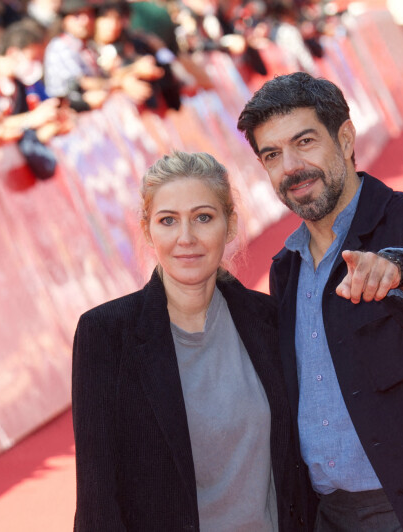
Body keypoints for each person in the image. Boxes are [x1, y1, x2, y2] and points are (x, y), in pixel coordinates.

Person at [237, 72, 403, 531]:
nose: (291, 166)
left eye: (305, 141)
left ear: (345, 137)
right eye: (272, 155)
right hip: (328, 515)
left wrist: (394, 268)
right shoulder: (285, 268)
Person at [71, 151, 301, 531]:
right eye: (168, 221)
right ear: (147, 231)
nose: (186, 238)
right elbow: (96, 494)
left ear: (229, 226)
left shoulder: (270, 319)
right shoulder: (106, 334)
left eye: (203, 218)